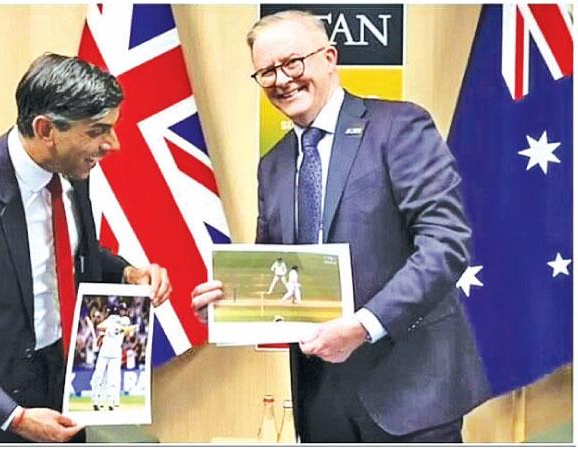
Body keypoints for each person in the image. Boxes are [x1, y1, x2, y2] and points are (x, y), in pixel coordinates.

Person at [191, 10, 490, 443]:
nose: (282, 79)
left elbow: (445, 244)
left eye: (293, 63)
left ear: (330, 57)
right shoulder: (273, 165)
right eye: (267, 71)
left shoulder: (399, 127)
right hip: (320, 403)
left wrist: (364, 325)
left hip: (411, 395)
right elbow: (275, 273)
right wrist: (227, 304)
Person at [0, 53, 172, 443]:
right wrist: (16, 417)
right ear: (46, 130)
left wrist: (126, 273)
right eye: (97, 131)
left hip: (60, 392)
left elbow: (70, 251)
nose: (113, 144)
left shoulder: (72, 169)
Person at [90, 306, 137, 411]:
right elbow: (129, 333)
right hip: (116, 352)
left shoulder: (110, 321)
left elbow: (99, 326)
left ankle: (97, 400)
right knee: (114, 377)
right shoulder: (124, 320)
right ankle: (113, 401)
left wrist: (107, 331)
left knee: (99, 376)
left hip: (105, 352)